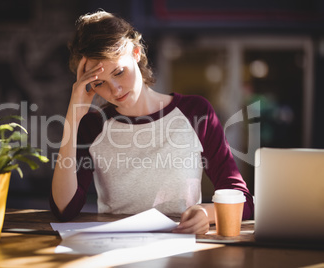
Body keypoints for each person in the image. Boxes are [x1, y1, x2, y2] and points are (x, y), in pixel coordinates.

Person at [50, 10, 254, 234]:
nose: (115, 90)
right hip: (117, 248)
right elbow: (65, 209)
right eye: (99, 83)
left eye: (119, 72)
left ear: (136, 53)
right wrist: (73, 114)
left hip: (179, 248)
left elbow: (243, 200)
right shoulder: (93, 126)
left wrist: (207, 213)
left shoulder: (195, 112)